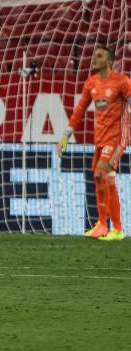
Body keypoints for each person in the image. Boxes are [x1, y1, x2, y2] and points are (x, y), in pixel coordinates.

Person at [58, 45, 131, 241]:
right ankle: (112, 228)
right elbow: (80, 110)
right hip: (100, 138)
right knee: (105, 178)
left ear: (109, 61)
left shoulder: (122, 82)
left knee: (100, 173)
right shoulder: (91, 83)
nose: (94, 59)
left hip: (117, 138)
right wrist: (65, 135)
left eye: (99, 56)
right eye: (94, 55)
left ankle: (108, 225)